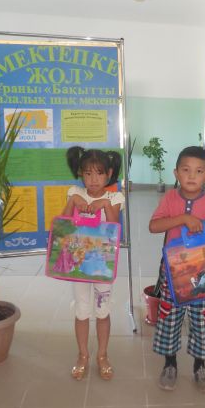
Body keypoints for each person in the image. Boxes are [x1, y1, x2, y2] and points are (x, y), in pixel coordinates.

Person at [149, 146, 205, 393]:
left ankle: (199, 366)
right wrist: (183, 219)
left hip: (204, 274)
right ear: (176, 173)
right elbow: (154, 226)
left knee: (201, 321)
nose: (192, 176)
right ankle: (170, 364)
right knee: (169, 319)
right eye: (186, 170)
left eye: (199, 171)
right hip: (173, 274)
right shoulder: (170, 199)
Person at [61, 147, 124, 382]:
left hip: (102, 266)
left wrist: (104, 205)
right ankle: (83, 355)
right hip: (78, 265)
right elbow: (63, 223)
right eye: (88, 173)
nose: (93, 179)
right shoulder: (75, 192)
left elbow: (115, 227)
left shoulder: (115, 198)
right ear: (80, 173)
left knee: (102, 310)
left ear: (109, 174)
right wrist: (73, 201)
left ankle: (102, 355)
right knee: (81, 310)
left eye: (99, 173)